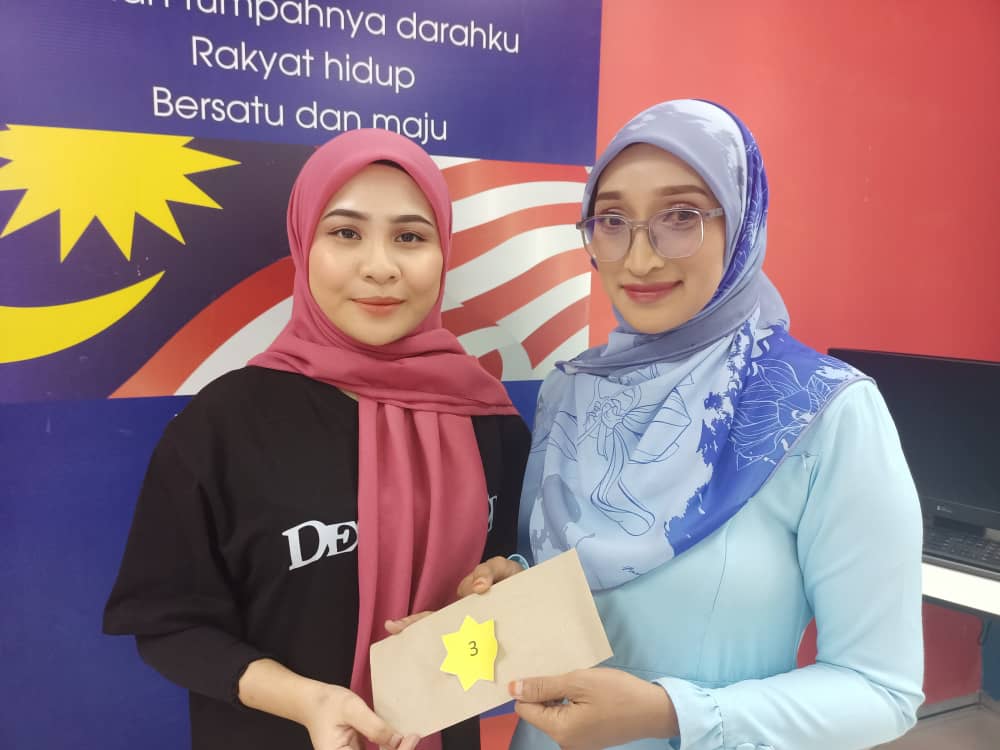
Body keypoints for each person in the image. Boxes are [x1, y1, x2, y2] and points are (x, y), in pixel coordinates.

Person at [457, 99, 924, 750]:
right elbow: (560, 586)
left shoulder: (822, 411)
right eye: (611, 220)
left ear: (741, 222)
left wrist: (674, 714)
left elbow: (881, 690)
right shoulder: (572, 390)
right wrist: (516, 586)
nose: (640, 259)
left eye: (680, 217)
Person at [103, 128, 531, 750]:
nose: (380, 266)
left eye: (410, 237)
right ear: (304, 246)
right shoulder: (224, 424)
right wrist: (306, 700)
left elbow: (517, 579)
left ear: (443, 253)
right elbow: (168, 623)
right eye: (346, 233)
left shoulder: (489, 419)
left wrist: (500, 593)